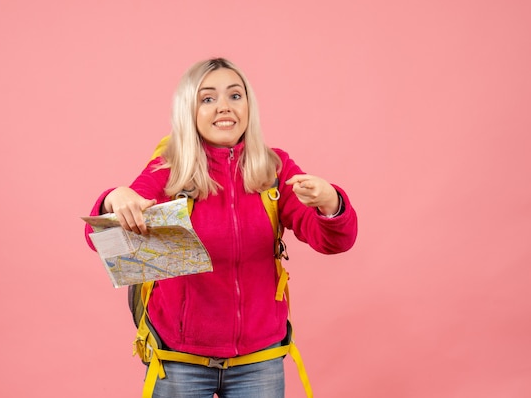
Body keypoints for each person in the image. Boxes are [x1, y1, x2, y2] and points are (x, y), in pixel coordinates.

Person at [84, 57, 358, 398]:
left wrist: (331, 203)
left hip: (260, 359)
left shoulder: (275, 168)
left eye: (235, 96)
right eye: (208, 98)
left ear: (249, 106)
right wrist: (114, 199)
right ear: (190, 110)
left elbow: (333, 241)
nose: (224, 107)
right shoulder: (168, 169)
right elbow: (106, 240)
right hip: (179, 359)